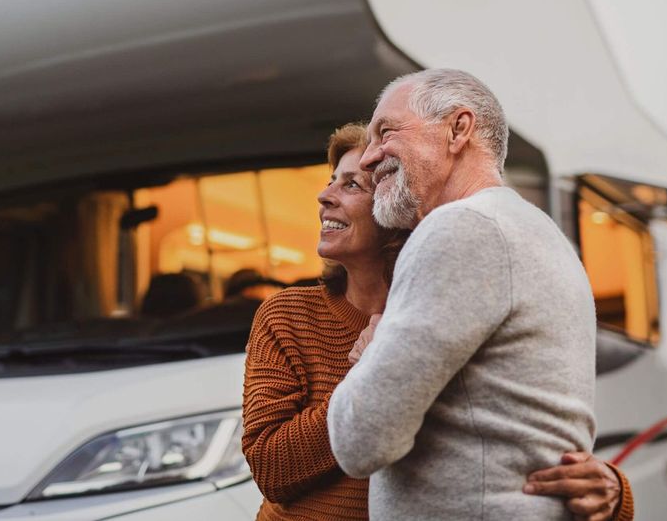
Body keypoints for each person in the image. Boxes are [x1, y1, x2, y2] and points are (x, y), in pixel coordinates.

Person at [242, 121, 633, 521]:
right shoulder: (287, 316)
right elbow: (272, 469)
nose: (325, 197)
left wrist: (613, 492)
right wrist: (378, 375)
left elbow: (514, 436)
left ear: (394, 209)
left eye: (352, 185)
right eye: (332, 181)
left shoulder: (461, 310)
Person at [326, 69, 607, 519]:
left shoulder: (461, 228)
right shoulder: (535, 230)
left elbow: (362, 441)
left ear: (458, 129)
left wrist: (369, 357)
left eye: (386, 132)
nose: (368, 157)